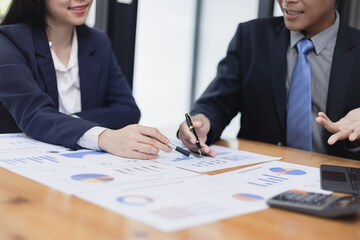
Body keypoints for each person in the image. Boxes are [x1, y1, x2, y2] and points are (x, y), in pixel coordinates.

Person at [178, 0, 360, 160]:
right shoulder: (251, 36)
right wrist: (203, 122)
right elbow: (217, 103)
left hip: (334, 179)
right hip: (258, 173)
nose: (288, 0)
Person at [0, 0, 171, 159]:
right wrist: (103, 137)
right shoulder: (8, 43)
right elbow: (35, 115)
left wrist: (65, 122)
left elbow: (128, 110)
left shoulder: (98, 42)